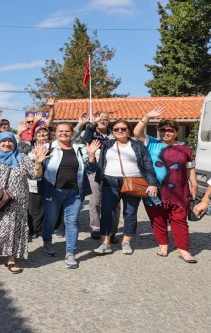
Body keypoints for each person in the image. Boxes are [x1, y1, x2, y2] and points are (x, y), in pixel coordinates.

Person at [0, 132, 47, 273]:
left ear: (14, 143)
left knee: (13, 229)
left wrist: (38, 163)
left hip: (17, 202)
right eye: (3, 141)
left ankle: (11, 259)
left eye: (10, 141)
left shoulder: (22, 158)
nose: (7, 143)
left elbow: (36, 175)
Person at [134, 107, 198, 263]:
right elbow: (137, 133)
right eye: (162, 130)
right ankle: (163, 244)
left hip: (179, 192)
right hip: (155, 191)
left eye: (170, 130)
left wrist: (194, 185)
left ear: (176, 132)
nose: (166, 133)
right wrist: (146, 117)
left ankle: (183, 249)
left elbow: (190, 168)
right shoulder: (152, 144)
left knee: (180, 220)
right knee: (157, 219)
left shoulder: (185, 148)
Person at [93, 119, 158, 255]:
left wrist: (152, 183)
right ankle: (105, 243)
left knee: (130, 213)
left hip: (133, 183)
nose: (120, 131)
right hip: (110, 183)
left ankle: (126, 241)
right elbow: (88, 137)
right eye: (116, 129)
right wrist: (93, 124)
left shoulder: (138, 146)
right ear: (112, 131)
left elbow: (148, 165)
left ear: (129, 130)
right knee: (106, 213)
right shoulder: (107, 144)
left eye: (123, 129)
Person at [40, 123, 100, 268]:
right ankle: (47, 241)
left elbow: (91, 169)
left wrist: (91, 155)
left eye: (67, 131)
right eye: (61, 131)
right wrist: (38, 160)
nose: (64, 133)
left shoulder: (79, 149)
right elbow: (35, 166)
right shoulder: (48, 148)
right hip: (53, 191)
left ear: (72, 133)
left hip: (75, 192)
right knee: (50, 219)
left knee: (72, 222)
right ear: (55, 133)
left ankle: (70, 252)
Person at [84, 111, 121, 242]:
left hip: (113, 174)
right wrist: (92, 123)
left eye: (105, 119)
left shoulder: (116, 134)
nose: (102, 120)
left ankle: (112, 231)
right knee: (95, 202)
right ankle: (96, 228)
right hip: (95, 173)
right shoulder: (93, 135)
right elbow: (87, 136)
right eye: (100, 119)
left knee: (115, 205)